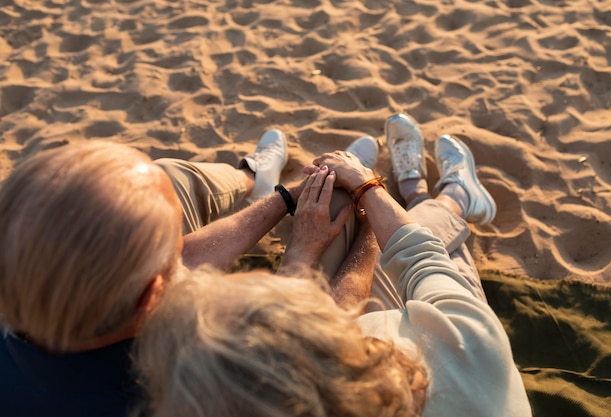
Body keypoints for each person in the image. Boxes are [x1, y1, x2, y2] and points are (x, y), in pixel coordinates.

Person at [135, 114, 532, 417]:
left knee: (336, 208)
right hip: (440, 339)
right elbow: (423, 259)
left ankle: (384, 193)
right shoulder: (471, 357)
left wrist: (305, 248)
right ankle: (450, 196)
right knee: (421, 229)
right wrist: (369, 191)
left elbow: (333, 316)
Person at [0, 128, 380, 417]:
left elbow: (178, 261)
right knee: (339, 203)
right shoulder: (181, 381)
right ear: (153, 298)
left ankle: (252, 177)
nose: (185, 243)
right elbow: (287, 340)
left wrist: (285, 197)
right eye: (176, 244)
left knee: (168, 176)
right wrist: (358, 233)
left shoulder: (23, 289)